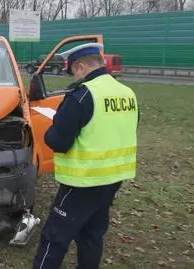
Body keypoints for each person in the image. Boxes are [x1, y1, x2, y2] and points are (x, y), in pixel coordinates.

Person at [32, 43, 139, 269]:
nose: (74, 76)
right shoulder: (127, 93)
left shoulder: (82, 96)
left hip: (82, 181)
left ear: (80, 67)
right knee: (92, 235)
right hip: (113, 178)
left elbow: (58, 141)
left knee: (54, 237)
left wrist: (51, 128)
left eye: (73, 71)